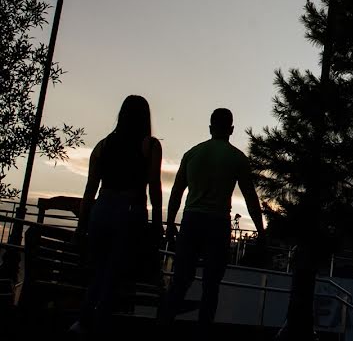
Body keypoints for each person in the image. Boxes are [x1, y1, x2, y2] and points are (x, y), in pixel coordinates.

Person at [162, 108, 265, 332]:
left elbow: (177, 192)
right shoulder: (237, 158)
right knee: (211, 285)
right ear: (231, 129)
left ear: (210, 128)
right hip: (218, 223)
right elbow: (250, 197)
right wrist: (261, 230)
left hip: (191, 220)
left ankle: (165, 326)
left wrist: (170, 223)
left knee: (180, 281)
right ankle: (203, 330)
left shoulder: (192, 153)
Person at [71, 95, 163, 335]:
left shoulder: (102, 145)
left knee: (100, 269)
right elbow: (154, 185)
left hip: (101, 209)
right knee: (116, 272)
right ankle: (100, 323)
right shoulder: (150, 146)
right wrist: (156, 223)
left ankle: (83, 320)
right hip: (130, 210)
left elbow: (90, 189)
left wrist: (82, 224)